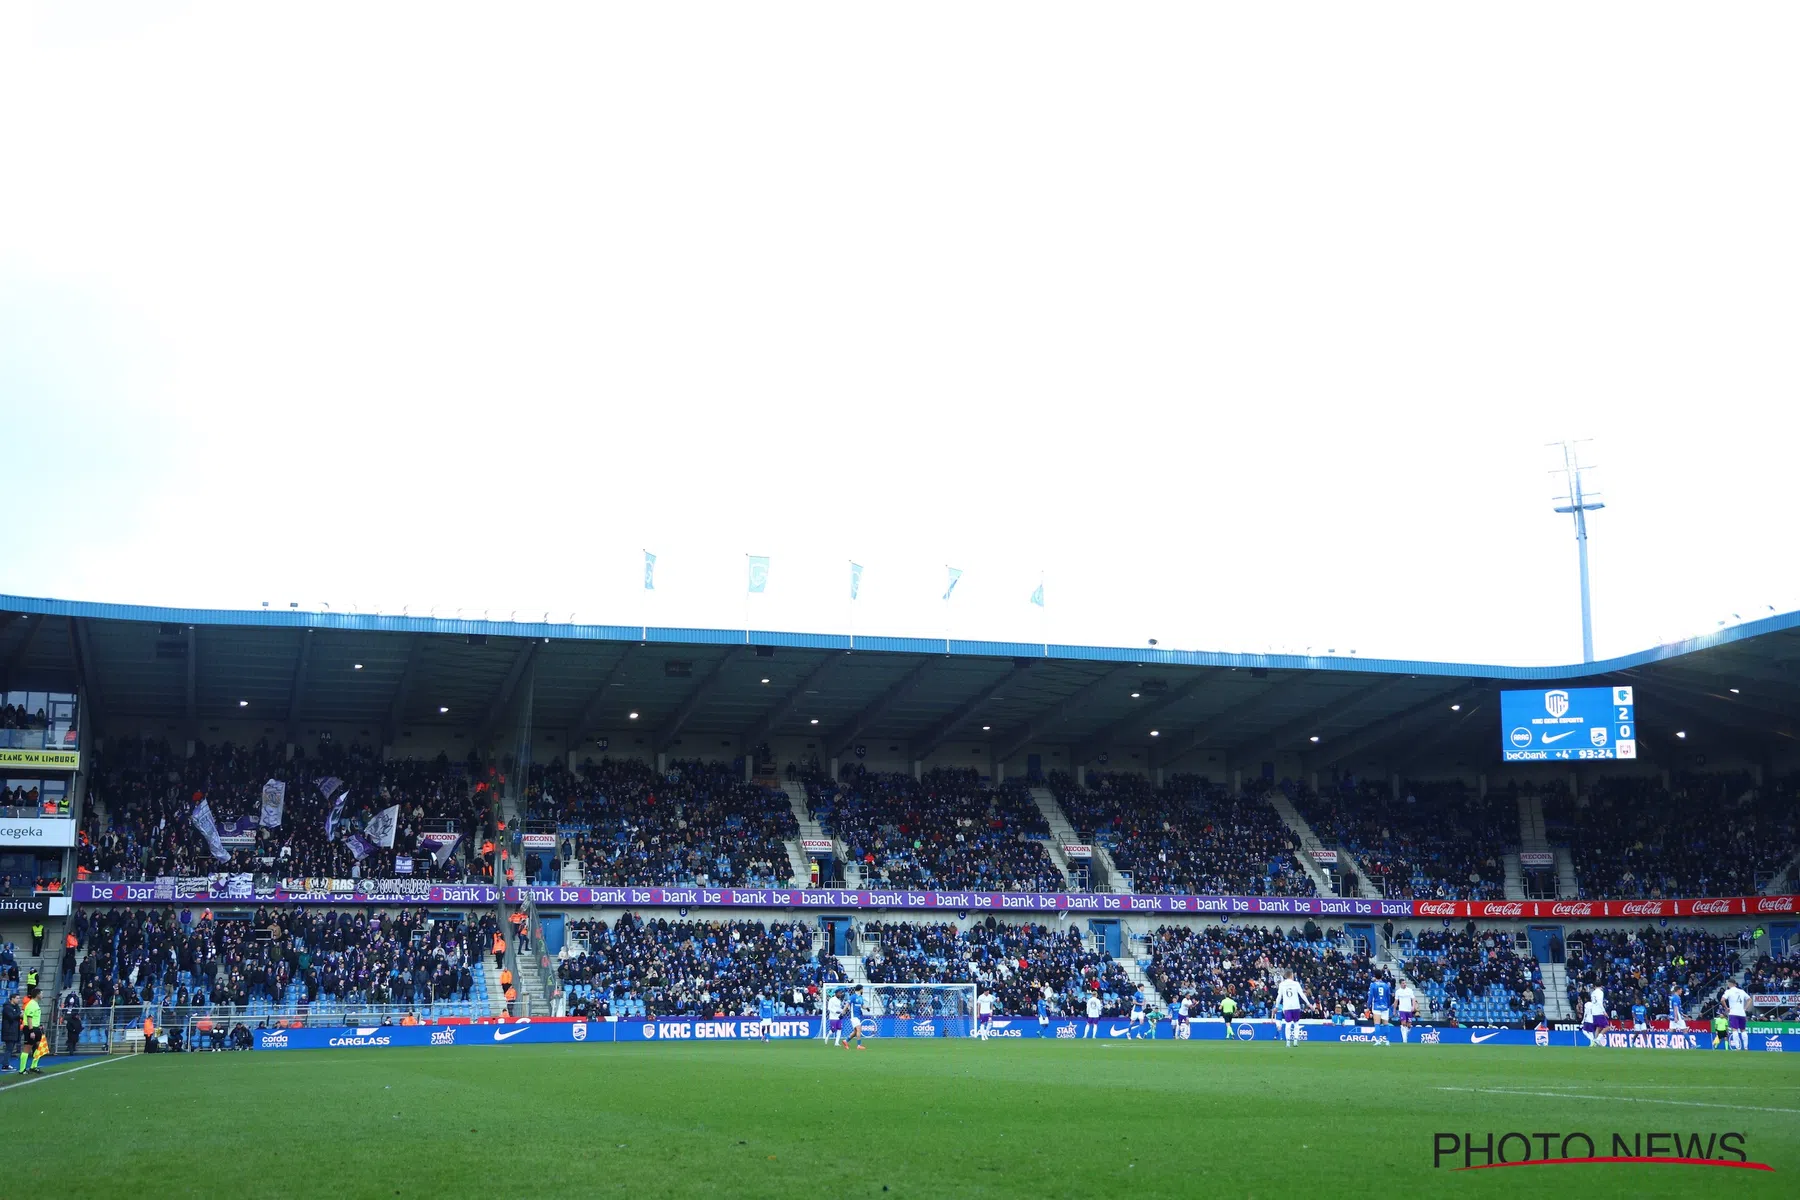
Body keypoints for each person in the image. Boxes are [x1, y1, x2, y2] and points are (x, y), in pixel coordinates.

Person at [1274, 970, 1310, 1048]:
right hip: (1296, 1006)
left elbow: (1279, 996)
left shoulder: (1282, 984)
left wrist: (1276, 1006)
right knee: (1296, 1023)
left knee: (1288, 1024)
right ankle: (1295, 1041)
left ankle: (1288, 1042)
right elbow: (1302, 995)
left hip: (1287, 1007)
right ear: (1291, 975)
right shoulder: (1296, 984)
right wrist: (1308, 1004)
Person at [20, 986, 45, 1074]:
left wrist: (39, 1025)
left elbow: (34, 1017)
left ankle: (33, 1066)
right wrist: (31, 1031)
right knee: (27, 1047)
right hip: (30, 1028)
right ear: (37, 995)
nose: (43, 995)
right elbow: (29, 1018)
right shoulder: (31, 1004)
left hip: (36, 1027)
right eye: (41, 993)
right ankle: (22, 1069)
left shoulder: (35, 1004)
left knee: (39, 1046)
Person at [1720, 982, 1751, 1051]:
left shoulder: (1728, 991)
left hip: (1733, 1013)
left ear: (1729, 984)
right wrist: (1745, 1008)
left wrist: (1726, 1007)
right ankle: (1746, 1047)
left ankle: (1737, 1047)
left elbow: (1722, 1000)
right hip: (1742, 1013)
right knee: (1743, 1030)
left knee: (1734, 1029)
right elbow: (1749, 999)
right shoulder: (1742, 991)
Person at [1, 993, 19, 1074]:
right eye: (17, 998)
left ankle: (6, 1064)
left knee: (10, 1049)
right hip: (8, 1031)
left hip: (14, 1030)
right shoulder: (7, 1008)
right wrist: (19, 1014)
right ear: (12, 999)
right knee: (8, 1049)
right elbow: (11, 1017)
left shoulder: (15, 1007)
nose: (18, 1000)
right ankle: (5, 1065)